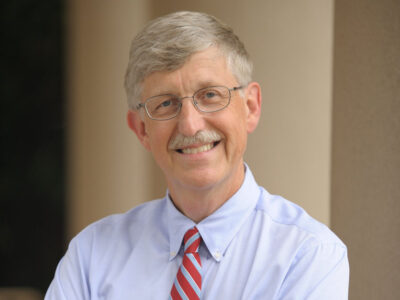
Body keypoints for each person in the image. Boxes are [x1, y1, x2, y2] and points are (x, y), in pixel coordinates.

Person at [45, 11, 349, 299]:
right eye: (165, 103)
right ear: (141, 129)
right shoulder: (92, 255)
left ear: (251, 107)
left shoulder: (308, 254)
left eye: (210, 95)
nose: (190, 125)